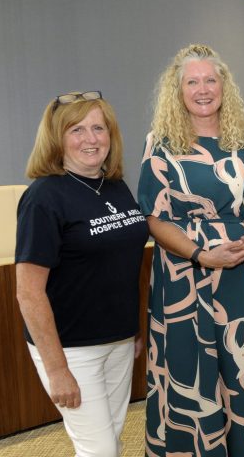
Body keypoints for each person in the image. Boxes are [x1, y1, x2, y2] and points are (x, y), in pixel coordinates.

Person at [137, 44, 244, 456]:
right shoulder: (161, 144)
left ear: (225, 86)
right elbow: (155, 219)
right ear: (178, 90)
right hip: (186, 278)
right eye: (193, 81)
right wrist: (201, 255)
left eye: (211, 80)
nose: (203, 89)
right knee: (195, 372)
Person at [15, 91, 149, 456]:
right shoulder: (43, 198)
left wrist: (133, 328)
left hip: (119, 341)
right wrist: (56, 369)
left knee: (110, 442)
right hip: (71, 349)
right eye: (76, 130)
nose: (90, 139)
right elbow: (28, 293)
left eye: (98, 128)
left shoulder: (117, 187)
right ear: (57, 138)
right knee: (100, 451)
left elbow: (122, 266)